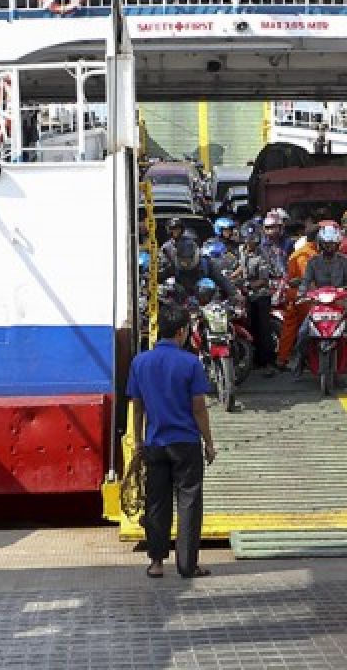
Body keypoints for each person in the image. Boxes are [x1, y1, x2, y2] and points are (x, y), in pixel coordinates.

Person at [127, 305, 216, 579]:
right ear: (181, 332)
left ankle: (156, 562)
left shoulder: (140, 362)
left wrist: (139, 440)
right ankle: (187, 565)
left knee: (156, 502)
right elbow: (198, 407)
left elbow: (138, 406)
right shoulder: (190, 363)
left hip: (155, 443)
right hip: (185, 443)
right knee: (188, 502)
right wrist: (209, 443)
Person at [294, 224, 347, 382]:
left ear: (337, 245)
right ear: (320, 244)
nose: (329, 247)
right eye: (326, 244)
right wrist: (301, 294)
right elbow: (305, 281)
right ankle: (299, 362)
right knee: (303, 333)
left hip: (340, 305)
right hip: (319, 306)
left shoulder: (345, 262)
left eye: (332, 244)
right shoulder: (313, 262)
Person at [276, 223, 319, 369]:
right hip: (303, 296)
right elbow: (308, 279)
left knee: (290, 328)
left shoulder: (300, 253)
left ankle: (282, 359)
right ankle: (306, 359)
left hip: (294, 295)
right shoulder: (308, 255)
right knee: (309, 328)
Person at [238, 221, 277, 373]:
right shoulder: (242, 250)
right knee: (250, 326)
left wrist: (248, 285)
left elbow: (264, 279)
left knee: (263, 329)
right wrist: (229, 277)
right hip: (248, 297)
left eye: (253, 239)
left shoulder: (263, 255)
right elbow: (241, 268)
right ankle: (252, 360)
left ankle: (267, 362)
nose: (250, 242)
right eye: (248, 239)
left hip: (261, 296)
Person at [164, 237, 238, 302]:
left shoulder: (206, 264)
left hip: (205, 303)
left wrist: (235, 294)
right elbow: (161, 276)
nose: (184, 263)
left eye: (187, 260)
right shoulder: (174, 265)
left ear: (195, 256)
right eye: (182, 259)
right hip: (182, 302)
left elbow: (222, 280)